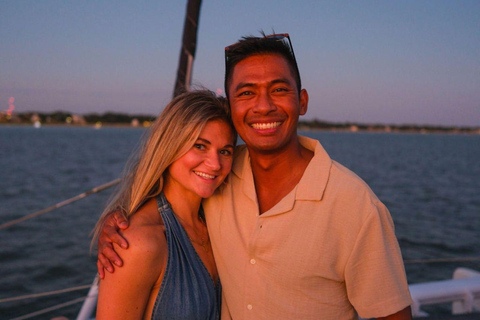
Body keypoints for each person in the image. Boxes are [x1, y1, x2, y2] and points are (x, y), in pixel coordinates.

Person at [97, 33, 413, 319]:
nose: (263, 106)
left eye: (278, 89)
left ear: (302, 101)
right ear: (232, 107)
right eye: (247, 92)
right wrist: (123, 223)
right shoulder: (218, 181)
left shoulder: (355, 207)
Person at [92, 90, 236, 319]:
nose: (215, 163)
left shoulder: (220, 222)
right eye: (200, 146)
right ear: (169, 146)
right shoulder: (138, 243)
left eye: (225, 151)